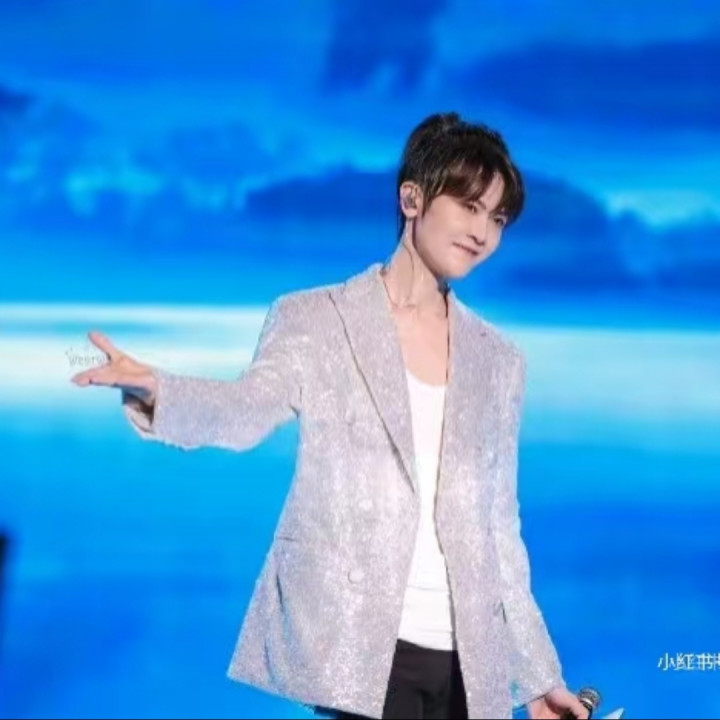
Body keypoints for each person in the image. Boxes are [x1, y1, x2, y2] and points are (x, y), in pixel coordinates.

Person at [70, 112, 590, 720]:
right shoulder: (315, 320)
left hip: (471, 664)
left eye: (497, 219)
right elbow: (247, 412)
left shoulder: (499, 361)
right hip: (364, 649)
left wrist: (538, 676)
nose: (482, 232)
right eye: (470, 206)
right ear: (412, 199)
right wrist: (158, 390)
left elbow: (498, 529)